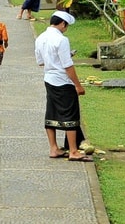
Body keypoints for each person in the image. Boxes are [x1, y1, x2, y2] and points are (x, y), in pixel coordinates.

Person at [34, 11, 91, 162]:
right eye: (66, 26)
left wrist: (54, 60)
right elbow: (67, 66)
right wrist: (78, 85)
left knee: (51, 112)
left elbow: (40, 61)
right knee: (70, 114)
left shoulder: (41, 38)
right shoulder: (61, 39)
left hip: (49, 79)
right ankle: (73, 150)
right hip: (63, 81)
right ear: (63, 24)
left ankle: (53, 147)